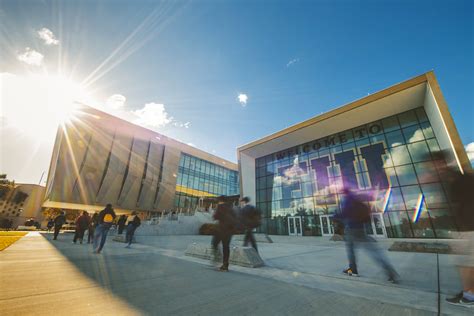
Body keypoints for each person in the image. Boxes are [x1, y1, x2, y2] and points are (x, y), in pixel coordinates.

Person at [337, 188, 399, 283]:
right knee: (373, 251)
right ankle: (389, 271)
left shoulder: (347, 200)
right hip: (361, 229)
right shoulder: (356, 199)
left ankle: (353, 270)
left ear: (344, 193)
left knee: (351, 251)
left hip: (351, 229)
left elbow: (344, 213)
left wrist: (335, 216)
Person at [444, 169, 474, 307]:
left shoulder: (462, 180)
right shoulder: (455, 181)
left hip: (469, 228)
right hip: (464, 228)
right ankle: (468, 293)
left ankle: (470, 296)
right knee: (464, 263)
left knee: (467, 263)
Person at [211, 196, 238, 272]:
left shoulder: (220, 206)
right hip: (229, 231)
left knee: (214, 243)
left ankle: (218, 256)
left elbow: (215, 216)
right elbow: (236, 219)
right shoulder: (232, 208)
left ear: (220, 201)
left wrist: (215, 214)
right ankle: (225, 265)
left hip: (221, 229)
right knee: (226, 247)